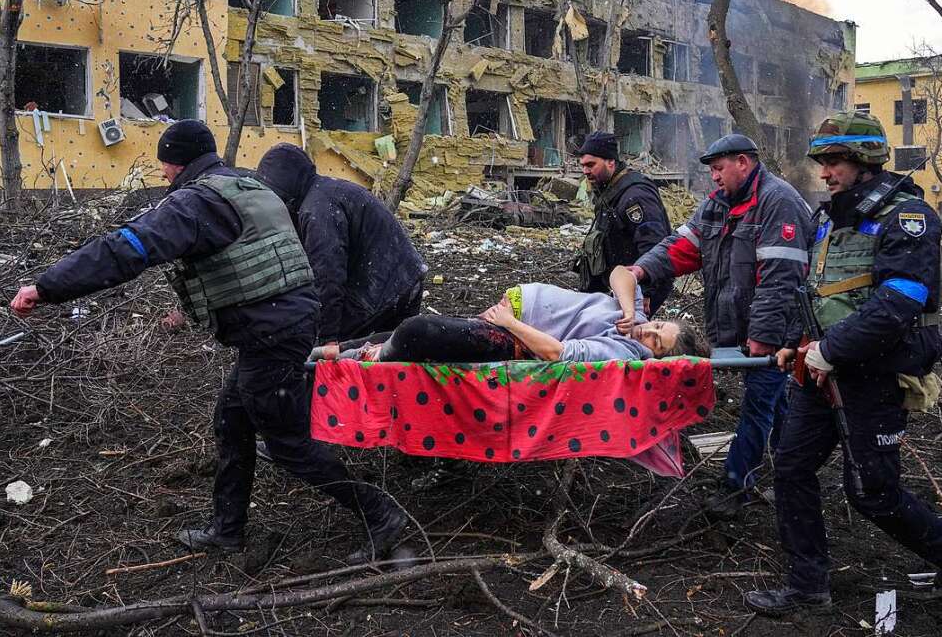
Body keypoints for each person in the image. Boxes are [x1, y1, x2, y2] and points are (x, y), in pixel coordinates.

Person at [10, 120, 407, 562]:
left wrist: (47, 287)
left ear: (174, 163)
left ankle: (380, 513)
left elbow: (127, 248)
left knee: (286, 442)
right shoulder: (244, 183)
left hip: (272, 331)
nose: (162, 174)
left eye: (163, 164)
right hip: (283, 323)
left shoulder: (196, 203)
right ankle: (227, 531)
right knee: (232, 420)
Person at [746, 112, 942, 616]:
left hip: (873, 375)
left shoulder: (908, 219)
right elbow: (812, 289)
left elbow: (900, 304)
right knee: (790, 468)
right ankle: (807, 587)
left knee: (873, 494)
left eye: (834, 161)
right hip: (818, 371)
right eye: (823, 162)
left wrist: (829, 351)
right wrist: (795, 341)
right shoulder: (828, 217)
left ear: (864, 161)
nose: (825, 171)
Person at [630, 133, 811, 518]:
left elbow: (781, 278)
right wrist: (641, 269)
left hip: (775, 332)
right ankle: (792, 467)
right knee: (773, 401)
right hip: (741, 329)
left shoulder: (778, 203)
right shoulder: (717, 205)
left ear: (743, 163)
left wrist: (762, 336)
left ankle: (735, 484)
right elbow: (680, 247)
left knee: (758, 404)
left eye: (718, 169)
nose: (713, 177)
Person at [332, 266, 709, 364]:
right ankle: (331, 350)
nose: (649, 334)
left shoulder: (625, 352)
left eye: (656, 343)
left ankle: (360, 358)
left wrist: (510, 323)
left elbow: (557, 353)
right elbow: (622, 274)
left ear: (655, 357)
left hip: (513, 338)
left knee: (418, 331)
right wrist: (630, 309)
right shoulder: (634, 320)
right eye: (658, 326)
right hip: (510, 314)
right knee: (415, 331)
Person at [258, 143, 427, 350]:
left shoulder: (316, 210)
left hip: (381, 287)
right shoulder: (325, 191)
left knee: (332, 354)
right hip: (404, 277)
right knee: (389, 358)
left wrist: (328, 338)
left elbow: (328, 275)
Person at [574, 132, 673, 315]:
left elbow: (653, 244)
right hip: (620, 285)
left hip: (637, 286)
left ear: (610, 162)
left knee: (630, 337)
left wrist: (645, 291)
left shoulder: (635, 195)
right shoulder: (610, 191)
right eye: (583, 166)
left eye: (591, 165)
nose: (585, 171)